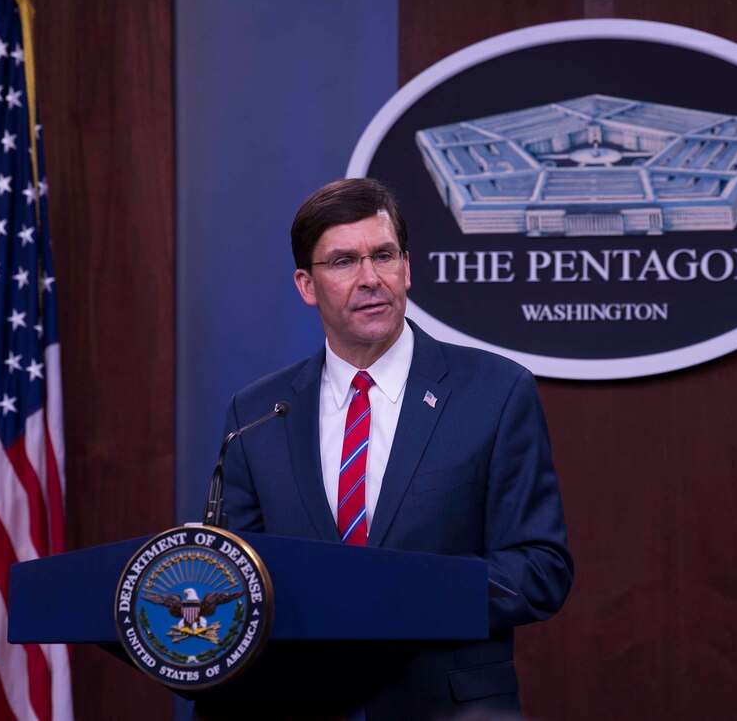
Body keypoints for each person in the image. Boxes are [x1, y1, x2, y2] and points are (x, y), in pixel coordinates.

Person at [217, 178, 572, 719]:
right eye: (341, 262)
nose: (369, 279)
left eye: (383, 255)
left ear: (406, 267)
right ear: (306, 285)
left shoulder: (495, 392)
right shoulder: (257, 414)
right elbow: (235, 577)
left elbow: (541, 568)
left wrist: (408, 594)